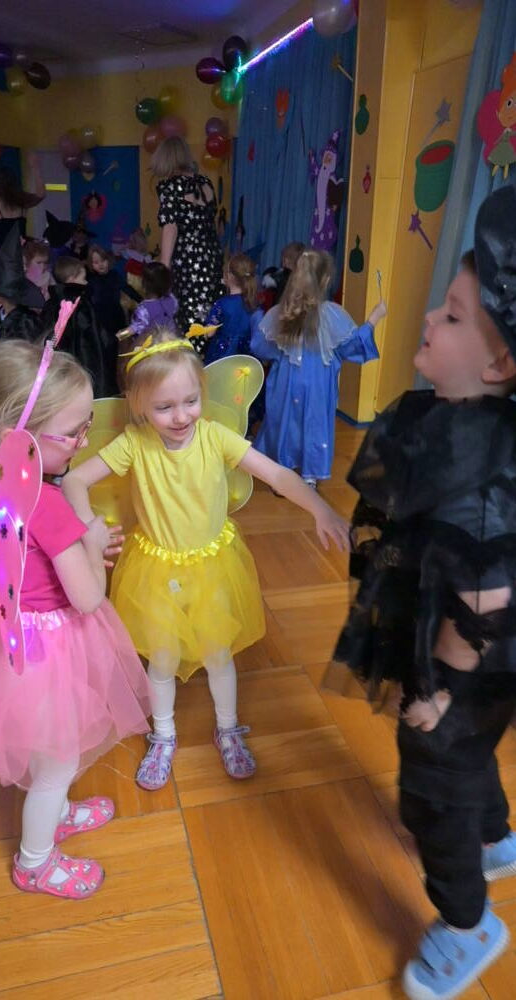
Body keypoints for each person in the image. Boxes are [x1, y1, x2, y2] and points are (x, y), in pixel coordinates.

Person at [327, 185, 516, 999]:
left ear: (497, 364)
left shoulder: (483, 475)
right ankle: (495, 837)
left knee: (433, 772)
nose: (429, 320)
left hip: (464, 655)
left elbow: (482, 600)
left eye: (451, 315)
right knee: (468, 752)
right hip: (451, 635)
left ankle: (468, 923)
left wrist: (435, 691)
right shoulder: (444, 417)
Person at [62, 326, 349, 791]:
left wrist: (319, 507)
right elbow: (75, 480)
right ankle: (163, 734)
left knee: (218, 654)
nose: (181, 416)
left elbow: (276, 474)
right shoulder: (134, 443)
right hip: (155, 569)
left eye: (190, 401)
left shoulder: (215, 437)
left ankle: (228, 728)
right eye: (164, 407)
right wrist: (88, 527)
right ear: (138, 404)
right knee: (161, 658)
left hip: (213, 565)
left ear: (202, 392)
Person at [0, 339, 151, 898]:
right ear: (13, 433)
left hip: (10, 643)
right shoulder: (48, 503)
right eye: (74, 432)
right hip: (49, 651)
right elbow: (88, 598)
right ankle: (34, 862)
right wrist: (92, 541)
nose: (84, 441)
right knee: (59, 760)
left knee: (48, 749)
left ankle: (56, 810)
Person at [251, 249, 386, 488]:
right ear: (324, 281)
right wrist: (374, 318)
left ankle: (282, 473)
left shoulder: (281, 312)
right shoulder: (332, 315)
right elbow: (351, 346)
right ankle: (309, 477)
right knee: (314, 424)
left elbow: (259, 346)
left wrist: (278, 347)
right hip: (318, 384)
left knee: (285, 421)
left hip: (286, 381)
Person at [152, 136, 223, 353]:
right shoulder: (206, 184)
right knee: (210, 319)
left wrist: (163, 268)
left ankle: (191, 365)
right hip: (211, 260)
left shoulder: (170, 187)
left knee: (188, 324)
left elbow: (170, 228)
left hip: (187, 264)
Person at [41, 256, 119, 398]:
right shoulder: (81, 306)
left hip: (59, 366)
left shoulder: (51, 304)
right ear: (72, 279)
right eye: (83, 279)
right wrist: (112, 340)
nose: (86, 282)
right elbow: (93, 338)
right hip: (82, 365)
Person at [203, 253, 258, 364]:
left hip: (221, 356)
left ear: (229, 276)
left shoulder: (222, 303)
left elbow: (209, 333)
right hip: (245, 356)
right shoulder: (254, 304)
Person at [118, 262, 178, 347]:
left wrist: (120, 335)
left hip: (153, 347)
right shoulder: (172, 299)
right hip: (171, 342)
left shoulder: (144, 309)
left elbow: (135, 327)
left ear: (144, 284)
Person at [86, 244, 127, 338]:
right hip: (101, 319)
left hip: (117, 314)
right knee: (106, 341)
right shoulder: (91, 280)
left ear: (108, 260)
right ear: (91, 264)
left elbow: (126, 288)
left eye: (103, 260)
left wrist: (140, 299)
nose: (101, 264)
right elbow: (88, 300)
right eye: (96, 262)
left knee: (121, 339)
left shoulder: (114, 275)